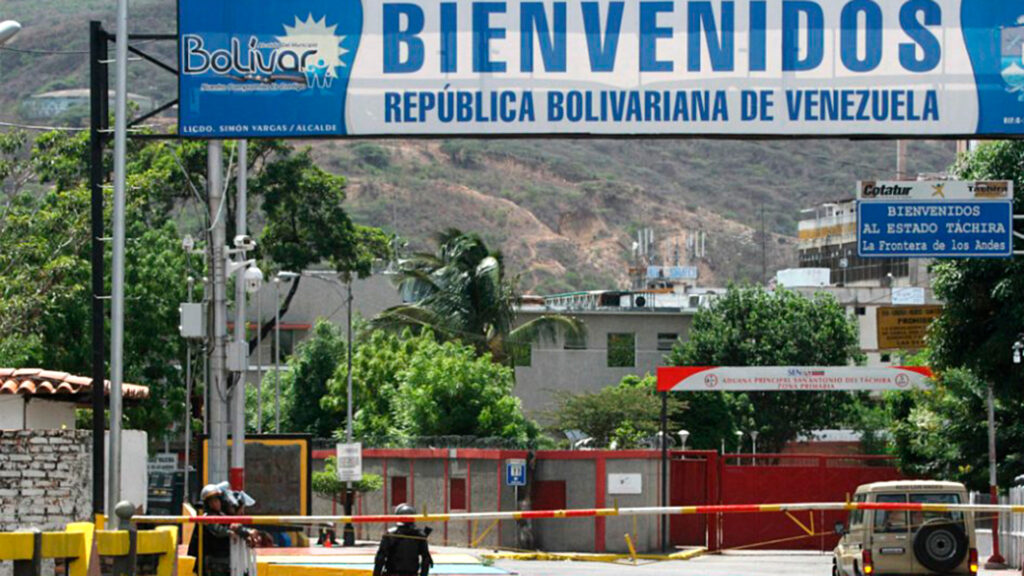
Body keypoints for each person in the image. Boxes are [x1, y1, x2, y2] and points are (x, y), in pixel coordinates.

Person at [187, 484, 235, 576]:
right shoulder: (206, 517)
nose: (215, 503)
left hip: (220, 557)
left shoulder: (221, 514)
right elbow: (218, 531)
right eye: (212, 501)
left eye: (216, 500)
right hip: (210, 559)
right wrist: (231, 533)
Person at [373, 503, 433, 576]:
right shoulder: (420, 535)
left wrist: (376, 574)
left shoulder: (390, 534)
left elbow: (380, 558)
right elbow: (426, 560)